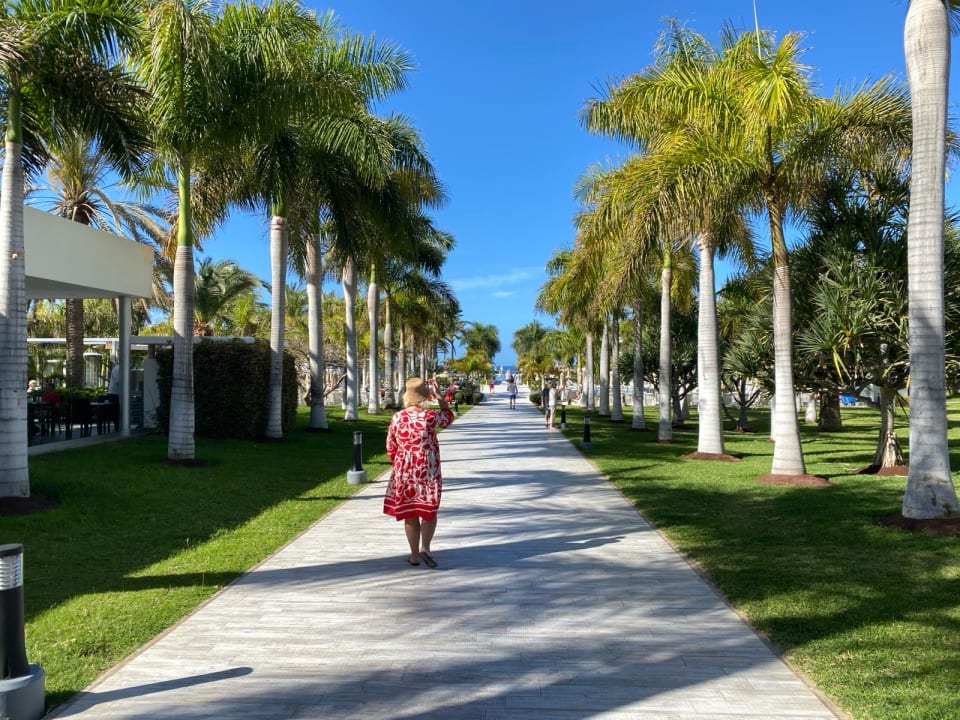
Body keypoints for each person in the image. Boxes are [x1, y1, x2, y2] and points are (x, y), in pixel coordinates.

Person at [384, 377, 455, 568]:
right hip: (427, 468)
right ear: (424, 396)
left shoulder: (397, 418)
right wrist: (440, 397)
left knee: (410, 513)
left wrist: (399, 463)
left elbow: (390, 446)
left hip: (405, 468)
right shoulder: (429, 417)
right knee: (429, 511)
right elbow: (448, 417)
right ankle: (426, 547)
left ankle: (414, 555)